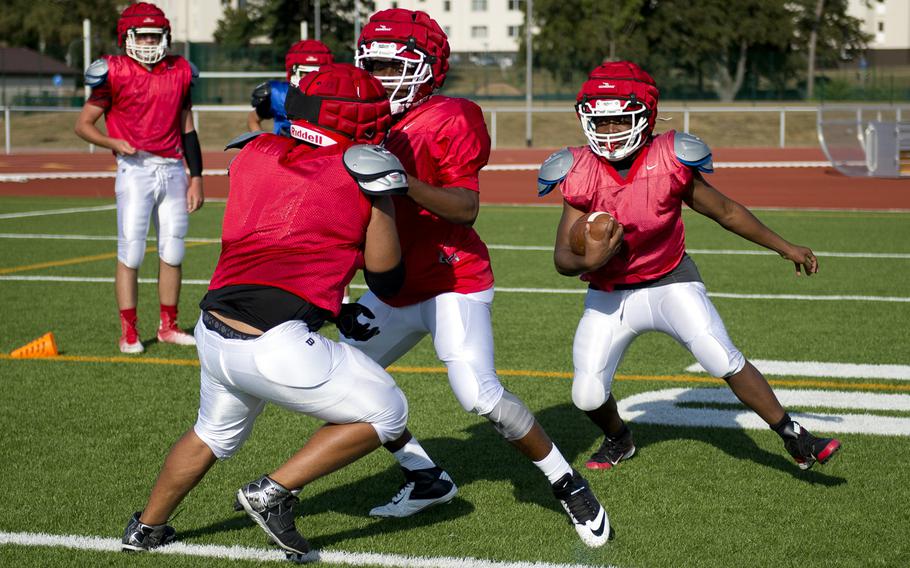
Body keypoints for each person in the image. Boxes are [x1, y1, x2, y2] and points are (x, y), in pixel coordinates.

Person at [120, 64, 412, 558]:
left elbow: (295, 222)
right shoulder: (361, 168)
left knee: (210, 434)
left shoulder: (255, 151)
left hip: (215, 329)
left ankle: (145, 528)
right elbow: (387, 277)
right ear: (357, 118)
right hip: (274, 343)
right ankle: (272, 492)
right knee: (388, 411)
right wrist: (381, 200)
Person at [348, 9, 610, 548]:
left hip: (452, 280)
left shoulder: (451, 116)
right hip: (391, 283)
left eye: (388, 66)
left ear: (426, 68)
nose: (377, 78)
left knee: (480, 396)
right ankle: (425, 476)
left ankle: (566, 480)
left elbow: (465, 208)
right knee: (340, 384)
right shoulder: (362, 116)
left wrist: (403, 183)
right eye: (369, 64)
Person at [537, 61, 842, 473]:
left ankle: (794, 435)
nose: (608, 132)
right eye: (601, 121)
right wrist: (587, 260)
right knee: (587, 394)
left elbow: (727, 211)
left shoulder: (669, 157)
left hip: (670, 281)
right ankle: (618, 438)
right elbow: (561, 259)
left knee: (720, 356)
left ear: (644, 117)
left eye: (618, 120)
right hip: (610, 293)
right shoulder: (578, 169)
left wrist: (783, 246)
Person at [74, 2, 203, 354]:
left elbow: (188, 129)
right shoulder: (113, 71)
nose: (148, 41)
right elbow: (83, 124)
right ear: (126, 37)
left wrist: (197, 177)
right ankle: (129, 331)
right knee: (131, 252)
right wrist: (111, 141)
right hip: (135, 170)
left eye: (153, 34)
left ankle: (168, 326)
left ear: (166, 37)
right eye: (141, 34)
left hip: (174, 168)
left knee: (173, 250)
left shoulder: (180, 71)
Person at [247, 39, 334, 135]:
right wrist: (261, 143)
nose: (310, 79)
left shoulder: (337, 97)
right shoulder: (280, 94)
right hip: (285, 149)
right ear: (293, 72)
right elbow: (253, 119)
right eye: (306, 73)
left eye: (316, 74)